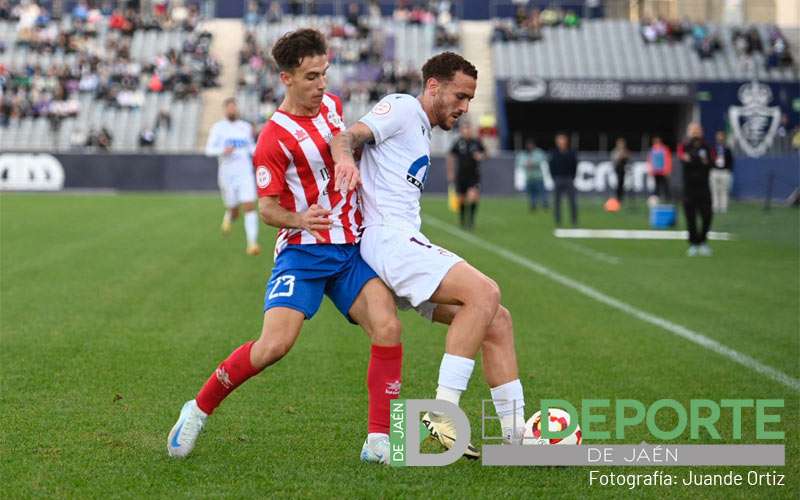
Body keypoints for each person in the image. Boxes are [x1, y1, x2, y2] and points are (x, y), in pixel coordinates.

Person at [168, 29, 404, 465]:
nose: (322, 85)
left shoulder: (331, 105)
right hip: (304, 252)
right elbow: (268, 209)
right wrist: (301, 219)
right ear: (286, 78)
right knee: (273, 347)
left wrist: (347, 158)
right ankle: (198, 409)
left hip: (349, 248)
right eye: (312, 76)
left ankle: (377, 440)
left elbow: (340, 137)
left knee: (387, 327)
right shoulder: (273, 139)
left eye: (325, 74)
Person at [332, 52, 527, 455]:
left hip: (399, 245)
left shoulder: (421, 128)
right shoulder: (403, 108)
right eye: (460, 96)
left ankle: (516, 437)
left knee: (498, 319)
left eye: (470, 99)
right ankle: (442, 419)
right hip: (389, 241)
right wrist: (345, 163)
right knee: (485, 293)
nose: (465, 107)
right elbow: (348, 136)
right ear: (433, 86)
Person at [205, 98, 261, 255]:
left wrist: (261, 152)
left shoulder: (245, 127)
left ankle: (252, 243)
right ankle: (229, 214)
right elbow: (209, 150)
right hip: (227, 174)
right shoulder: (218, 128)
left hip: (245, 172)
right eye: (229, 108)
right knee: (234, 208)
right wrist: (223, 150)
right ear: (225, 110)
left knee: (249, 206)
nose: (232, 110)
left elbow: (251, 147)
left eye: (234, 107)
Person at [678, 122, 713, 256]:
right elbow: (684, 159)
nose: (695, 132)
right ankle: (693, 243)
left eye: (697, 130)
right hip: (689, 188)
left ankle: (703, 241)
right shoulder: (684, 146)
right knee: (690, 217)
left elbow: (710, 162)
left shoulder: (707, 146)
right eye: (693, 130)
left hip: (704, 187)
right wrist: (698, 160)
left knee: (707, 215)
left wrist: (694, 159)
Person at [447, 121, 486, 229]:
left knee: (473, 197)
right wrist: (450, 172)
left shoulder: (476, 142)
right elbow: (450, 156)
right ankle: (463, 220)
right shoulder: (458, 142)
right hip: (461, 175)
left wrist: (481, 156)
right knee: (462, 199)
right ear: (461, 131)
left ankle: (471, 221)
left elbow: (486, 154)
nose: (466, 131)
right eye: (464, 129)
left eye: (468, 129)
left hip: (474, 175)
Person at [549, 133, 578, 226]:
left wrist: (572, 176)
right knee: (557, 202)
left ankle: (574, 221)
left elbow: (575, 165)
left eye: (562, 140)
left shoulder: (571, 152)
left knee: (572, 201)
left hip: (569, 178)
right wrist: (554, 177)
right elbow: (551, 166)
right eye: (559, 140)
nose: (560, 142)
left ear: (566, 141)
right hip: (558, 178)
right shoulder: (554, 153)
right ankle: (558, 221)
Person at [516, 138, 548, 211]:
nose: (529, 146)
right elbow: (519, 163)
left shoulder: (538, 152)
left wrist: (532, 163)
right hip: (529, 177)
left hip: (538, 177)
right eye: (528, 145)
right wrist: (526, 164)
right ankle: (533, 205)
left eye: (531, 145)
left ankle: (545, 205)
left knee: (542, 192)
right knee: (531, 193)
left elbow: (542, 159)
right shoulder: (523, 154)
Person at [710, 130, 734, 214]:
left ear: (724, 137)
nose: (720, 137)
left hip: (724, 171)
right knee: (714, 190)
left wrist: (729, 170)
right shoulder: (713, 148)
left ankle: (723, 207)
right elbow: (710, 159)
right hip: (715, 171)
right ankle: (715, 207)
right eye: (718, 136)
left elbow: (731, 160)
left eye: (721, 136)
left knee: (724, 190)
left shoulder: (727, 148)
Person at [647, 135, 672, 201]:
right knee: (656, 186)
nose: (656, 142)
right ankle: (657, 199)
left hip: (663, 171)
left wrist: (667, 170)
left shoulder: (664, 149)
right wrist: (651, 170)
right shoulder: (652, 149)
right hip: (655, 171)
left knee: (665, 185)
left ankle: (667, 198)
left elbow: (668, 159)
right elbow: (650, 160)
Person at [611, 137, 630, 204]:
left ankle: (621, 198)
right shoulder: (615, 151)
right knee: (618, 184)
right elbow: (615, 160)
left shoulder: (625, 151)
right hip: (617, 170)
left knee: (622, 184)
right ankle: (617, 198)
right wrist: (620, 156)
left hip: (623, 170)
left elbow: (628, 158)